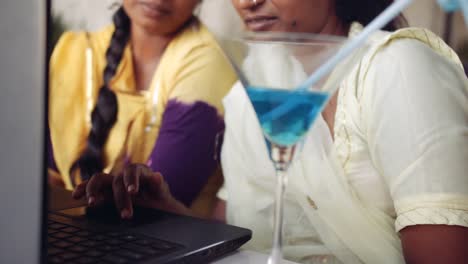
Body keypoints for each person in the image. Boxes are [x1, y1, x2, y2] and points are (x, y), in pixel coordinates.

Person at [74, 0, 468, 263]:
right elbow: (240, 237)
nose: (248, 0)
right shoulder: (252, 90)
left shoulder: (399, 69)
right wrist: (165, 213)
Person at [48, 0, 237, 216]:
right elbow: (48, 179)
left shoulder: (209, 63)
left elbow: (147, 210)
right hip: (73, 235)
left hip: (161, 242)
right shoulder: (76, 51)